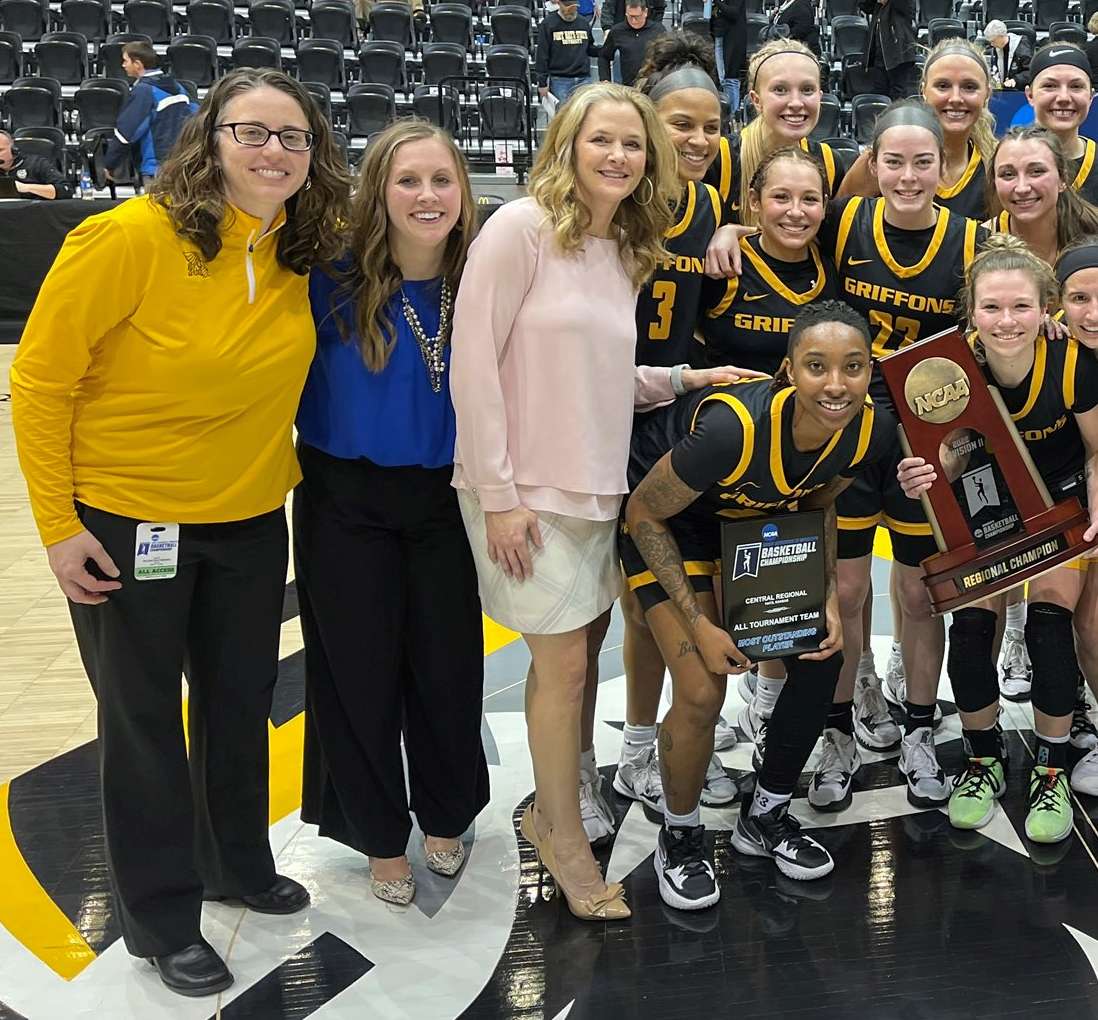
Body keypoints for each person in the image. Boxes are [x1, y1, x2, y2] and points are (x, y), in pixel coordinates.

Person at [9, 68, 349, 997]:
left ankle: (237, 865)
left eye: (294, 137)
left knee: (239, 707)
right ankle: (161, 918)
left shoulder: (300, 245)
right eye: (253, 132)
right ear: (211, 136)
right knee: (146, 723)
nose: (274, 151)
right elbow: (38, 384)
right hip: (127, 523)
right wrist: (58, 526)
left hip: (246, 522)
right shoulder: (126, 238)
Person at [450, 82, 731, 921]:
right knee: (565, 664)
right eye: (600, 140)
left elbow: (599, 375)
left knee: (573, 661)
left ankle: (554, 811)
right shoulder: (518, 229)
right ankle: (560, 834)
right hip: (523, 491)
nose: (617, 156)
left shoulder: (618, 247)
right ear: (567, 145)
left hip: (594, 488)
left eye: (632, 144)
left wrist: (683, 378)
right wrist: (498, 497)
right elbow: (472, 363)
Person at [624, 300, 895, 909]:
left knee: (823, 652)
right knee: (700, 689)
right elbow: (644, 512)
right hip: (673, 523)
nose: (835, 383)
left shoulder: (870, 426)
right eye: (817, 366)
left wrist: (824, 598)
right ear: (788, 370)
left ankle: (765, 815)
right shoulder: (731, 429)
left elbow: (820, 503)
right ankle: (681, 833)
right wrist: (700, 620)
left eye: (853, 367)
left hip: (760, 522)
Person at [294, 120, 488, 907]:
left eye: (441, 180)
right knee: (357, 674)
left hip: (445, 498)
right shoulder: (327, 273)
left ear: (464, 191)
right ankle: (377, 833)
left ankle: (446, 814)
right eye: (408, 180)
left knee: (447, 666)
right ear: (378, 189)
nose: (427, 196)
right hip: (344, 497)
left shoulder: (482, 274)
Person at [813, 100, 986, 811]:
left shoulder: (972, 241)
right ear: (872, 163)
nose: (909, 175)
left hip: (926, 443)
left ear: (945, 171)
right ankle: (839, 729)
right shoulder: (846, 221)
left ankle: (918, 728)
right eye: (894, 161)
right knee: (845, 593)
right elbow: (778, 241)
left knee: (919, 594)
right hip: (846, 431)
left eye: (924, 162)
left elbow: (1008, 326)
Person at [897, 235, 1098, 844]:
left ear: (1046, 311)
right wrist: (919, 475)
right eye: (991, 308)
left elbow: (1096, 449)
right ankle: (982, 760)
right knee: (972, 631)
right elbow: (941, 459)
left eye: (1020, 308)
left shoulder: (1072, 364)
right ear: (970, 313)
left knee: (1048, 625)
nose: (1006, 321)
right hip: (985, 513)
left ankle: (1051, 767)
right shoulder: (948, 373)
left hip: (1059, 508)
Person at [609, 35, 742, 831]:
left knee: (660, 594)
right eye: (679, 124)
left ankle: (652, 740)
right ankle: (632, 743)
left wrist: (727, 229)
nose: (695, 140)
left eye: (711, 126)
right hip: (603, 411)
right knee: (626, 607)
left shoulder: (704, 207)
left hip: (664, 418)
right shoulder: (614, 202)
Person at [838, 39, 998, 221]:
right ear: (923, 90)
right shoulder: (880, 162)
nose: (955, 98)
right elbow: (839, 229)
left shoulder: (995, 167)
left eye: (969, 87)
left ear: (987, 94)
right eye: (943, 86)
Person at [711, 40, 846, 226]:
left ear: (820, 97)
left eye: (807, 90)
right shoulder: (720, 157)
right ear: (756, 100)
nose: (796, 103)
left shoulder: (829, 163)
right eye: (780, 90)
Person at [985, 125, 1098, 266]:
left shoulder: (1093, 233)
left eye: (1036, 171)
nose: (1022, 188)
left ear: (1063, 178)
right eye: (1008, 174)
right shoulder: (980, 241)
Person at [104, 42, 198, 179]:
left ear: (137, 64)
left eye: (125, 61)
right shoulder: (178, 87)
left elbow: (126, 133)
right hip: (182, 164)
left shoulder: (144, 91)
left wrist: (110, 164)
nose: (123, 65)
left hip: (157, 169)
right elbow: (196, 115)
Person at [1025, 43, 1098, 205]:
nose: (1064, 97)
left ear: (1091, 97)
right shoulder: (1002, 165)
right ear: (1030, 95)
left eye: (1076, 86)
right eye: (1050, 86)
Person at [536, 0, 600, 108]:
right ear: (559, 4)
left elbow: (589, 48)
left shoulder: (583, 23)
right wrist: (542, 83)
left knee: (585, 116)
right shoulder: (548, 24)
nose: (569, 11)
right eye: (567, 7)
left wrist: (605, 49)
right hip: (560, 80)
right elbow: (542, 55)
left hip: (583, 78)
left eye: (573, 8)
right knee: (563, 119)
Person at [599, 1, 667, 88]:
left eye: (637, 17)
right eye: (630, 16)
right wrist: (605, 79)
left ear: (645, 12)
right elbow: (604, 56)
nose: (633, 21)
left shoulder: (658, 30)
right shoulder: (617, 31)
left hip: (653, 85)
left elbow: (667, 56)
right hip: (629, 86)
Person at [861, 0, 919, 101]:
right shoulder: (879, 5)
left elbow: (906, 7)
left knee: (898, 92)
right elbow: (865, 6)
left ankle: (898, 116)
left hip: (899, 51)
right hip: (880, 53)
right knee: (879, 92)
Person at [0, 128, 72, 199]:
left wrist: (25, 187)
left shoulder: (37, 164)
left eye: (0, 150)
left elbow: (65, 190)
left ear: (13, 150)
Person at [711, 0, 745, 114]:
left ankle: (733, 116)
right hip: (719, 36)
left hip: (732, 38)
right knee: (724, 80)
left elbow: (733, 13)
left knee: (730, 79)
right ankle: (729, 116)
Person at [984, 19, 1033, 90]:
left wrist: (1015, 80)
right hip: (1003, 90)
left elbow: (1030, 72)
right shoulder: (996, 48)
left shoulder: (1022, 47)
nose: (992, 44)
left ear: (1001, 36)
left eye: (993, 41)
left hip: (1020, 91)